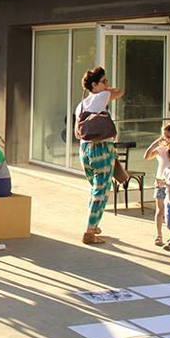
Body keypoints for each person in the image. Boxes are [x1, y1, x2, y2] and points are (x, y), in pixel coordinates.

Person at [76, 67, 124, 245]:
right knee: (101, 190)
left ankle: (93, 225)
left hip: (84, 150)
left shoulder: (81, 105)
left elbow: (77, 133)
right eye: (104, 81)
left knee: (96, 189)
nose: (107, 84)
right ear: (94, 85)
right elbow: (120, 91)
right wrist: (107, 89)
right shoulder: (102, 96)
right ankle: (89, 231)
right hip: (101, 148)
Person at [144, 123, 170, 247]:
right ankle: (159, 234)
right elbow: (146, 157)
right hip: (160, 182)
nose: (166, 139)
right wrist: (154, 144)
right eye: (164, 136)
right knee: (160, 209)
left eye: (168, 137)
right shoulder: (161, 149)